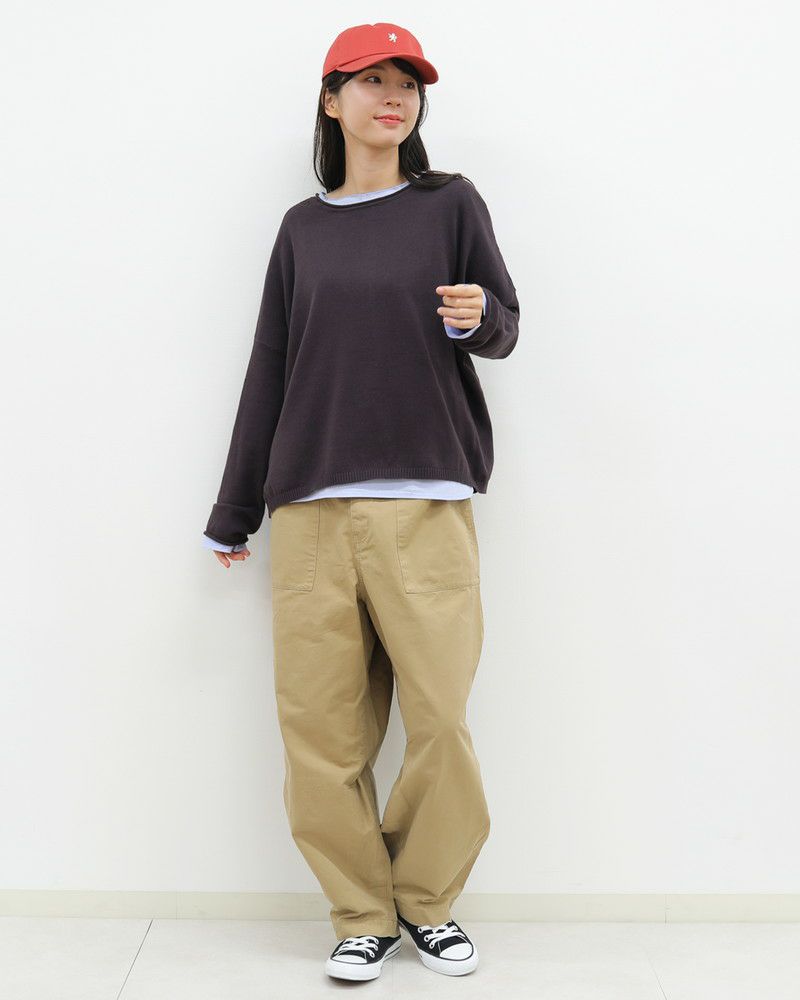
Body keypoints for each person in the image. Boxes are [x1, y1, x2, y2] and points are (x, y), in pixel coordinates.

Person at [202, 21, 520, 983]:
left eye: (408, 84)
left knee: (440, 721)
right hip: (310, 511)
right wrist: (235, 510)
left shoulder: (450, 202)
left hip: (425, 504)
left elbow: (503, 324)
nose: (393, 98)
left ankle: (426, 903)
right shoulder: (301, 230)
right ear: (331, 100)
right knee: (321, 734)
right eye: (372, 81)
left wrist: (478, 317)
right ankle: (359, 913)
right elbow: (271, 366)